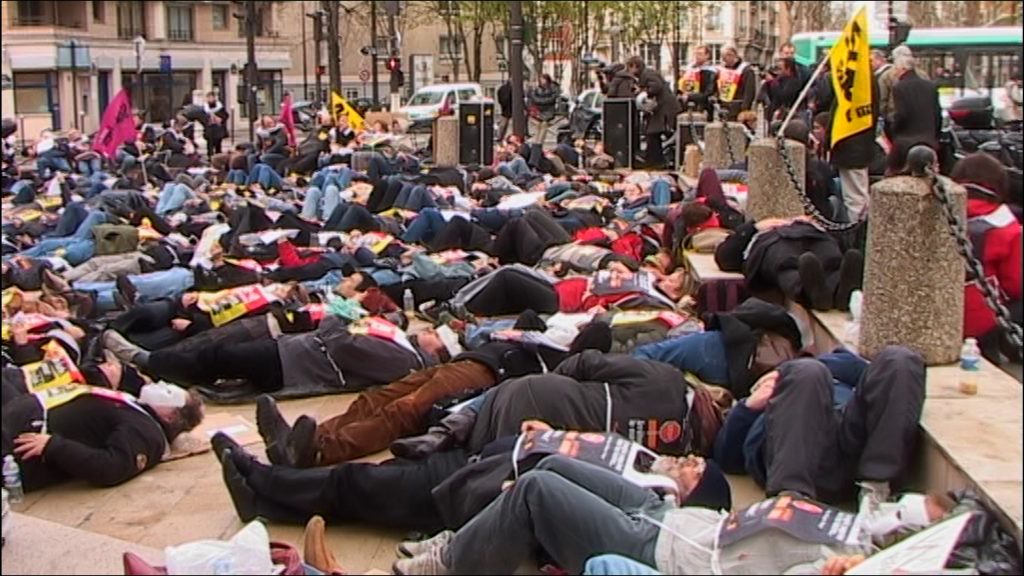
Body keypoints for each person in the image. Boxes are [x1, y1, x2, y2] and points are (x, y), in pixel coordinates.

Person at [715, 347, 925, 504]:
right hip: (797, 452)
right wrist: (749, 407)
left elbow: (864, 369)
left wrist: (785, 370)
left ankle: (877, 490)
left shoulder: (824, 369)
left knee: (900, 359)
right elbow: (727, 458)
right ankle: (791, 499)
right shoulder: (763, 403)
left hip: (852, 439)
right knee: (806, 372)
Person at [103, 314, 446, 394]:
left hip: (294, 363)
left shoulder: (405, 361)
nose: (428, 332)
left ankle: (147, 362)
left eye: (434, 336)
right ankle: (154, 370)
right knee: (217, 356)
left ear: (436, 353)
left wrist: (334, 322)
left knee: (220, 357)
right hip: (295, 353)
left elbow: (346, 347)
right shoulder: (404, 345)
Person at [2, 377, 204, 492]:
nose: (161, 385)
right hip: (21, 412)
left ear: (170, 416)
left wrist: (54, 445)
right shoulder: (137, 408)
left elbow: (111, 468)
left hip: (22, 439)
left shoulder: (147, 433)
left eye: (169, 392)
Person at [951, 153, 1023, 362]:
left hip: (939, 314)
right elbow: (1014, 285)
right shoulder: (1008, 227)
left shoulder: (941, 212)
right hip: (983, 320)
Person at [715, 216, 864, 312]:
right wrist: (754, 227)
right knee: (786, 265)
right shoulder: (755, 232)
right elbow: (724, 258)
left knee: (831, 259)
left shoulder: (805, 222)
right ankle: (810, 293)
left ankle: (842, 291)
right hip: (771, 241)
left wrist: (814, 224)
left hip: (813, 234)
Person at [830, 54, 879, 221]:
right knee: (855, 195)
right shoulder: (867, 82)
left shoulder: (858, 86)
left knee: (855, 198)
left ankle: (857, 231)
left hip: (852, 148)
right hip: (856, 147)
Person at [889, 50, 942, 173]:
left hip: (905, 143)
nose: (895, 72)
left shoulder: (899, 87)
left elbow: (902, 114)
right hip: (929, 140)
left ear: (902, 69)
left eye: (895, 69)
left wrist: (893, 129)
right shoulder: (930, 86)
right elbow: (937, 114)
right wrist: (935, 136)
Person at [627, 55, 680, 168]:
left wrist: (644, 92)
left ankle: (655, 161)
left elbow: (656, 86)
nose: (629, 71)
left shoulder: (648, 74)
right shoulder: (647, 74)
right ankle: (655, 160)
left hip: (663, 109)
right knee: (654, 134)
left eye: (630, 67)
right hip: (661, 109)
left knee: (653, 134)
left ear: (635, 66)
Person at [717, 47, 757, 121]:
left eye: (728, 56)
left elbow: (749, 91)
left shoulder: (746, 70)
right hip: (725, 106)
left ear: (734, 56)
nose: (725, 59)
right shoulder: (722, 69)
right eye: (723, 57)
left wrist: (745, 108)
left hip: (739, 106)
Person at [678, 45, 717, 120]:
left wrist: (690, 96)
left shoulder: (710, 72)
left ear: (707, 55)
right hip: (687, 106)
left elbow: (708, 92)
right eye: (695, 54)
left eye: (700, 54)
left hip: (702, 107)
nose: (697, 56)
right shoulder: (689, 69)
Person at [529, 74, 560, 146]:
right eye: (541, 79)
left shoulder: (553, 88)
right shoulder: (537, 88)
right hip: (539, 110)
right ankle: (536, 142)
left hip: (548, 110)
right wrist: (541, 101)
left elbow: (552, 98)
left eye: (543, 79)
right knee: (538, 126)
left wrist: (541, 101)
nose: (542, 81)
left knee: (544, 125)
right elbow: (533, 97)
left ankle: (539, 143)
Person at [203, 92, 229, 159]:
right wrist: (207, 120)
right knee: (209, 145)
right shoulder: (205, 108)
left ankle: (218, 158)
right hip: (209, 129)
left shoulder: (219, 107)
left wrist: (220, 119)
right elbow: (202, 118)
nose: (210, 99)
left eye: (212, 97)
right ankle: (210, 158)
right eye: (209, 97)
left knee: (218, 145)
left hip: (218, 129)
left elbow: (226, 115)